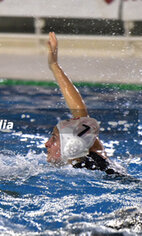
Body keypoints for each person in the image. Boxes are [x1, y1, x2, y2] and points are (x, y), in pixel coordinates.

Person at [45, 32, 124, 175]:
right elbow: (82, 118)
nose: (47, 144)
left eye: (54, 138)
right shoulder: (90, 149)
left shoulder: (89, 173)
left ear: (70, 146)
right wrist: (54, 66)